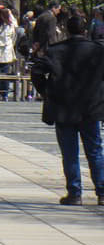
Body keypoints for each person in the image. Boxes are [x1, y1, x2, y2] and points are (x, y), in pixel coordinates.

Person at [31, 14, 104, 205]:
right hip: (90, 106)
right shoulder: (97, 51)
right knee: (95, 151)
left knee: (69, 152)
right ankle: (102, 192)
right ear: (85, 30)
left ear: (66, 30)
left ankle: (75, 192)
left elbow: (36, 71)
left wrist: (46, 91)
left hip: (64, 107)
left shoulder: (56, 51)